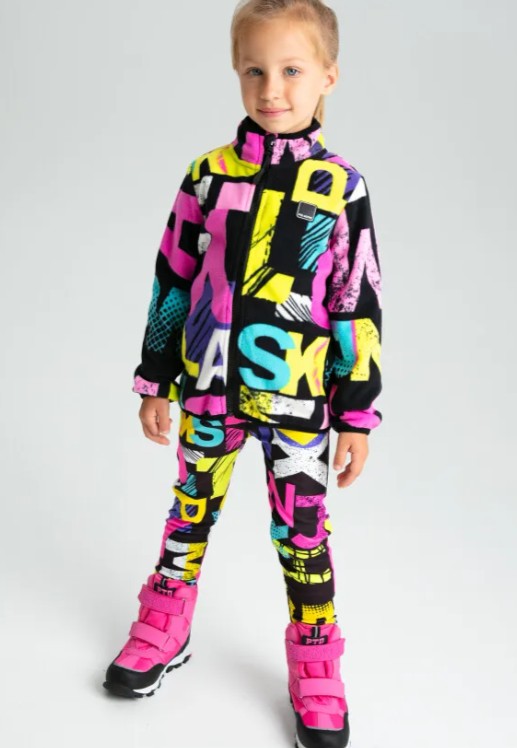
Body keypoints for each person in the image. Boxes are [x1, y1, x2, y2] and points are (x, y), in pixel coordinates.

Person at [103, 1, 383, 746]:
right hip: (208, 385)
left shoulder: (340, 186)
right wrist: (156, 376)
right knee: (188, 512)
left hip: (297, 397)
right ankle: (165, 625)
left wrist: (356, 414)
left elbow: (356, 301)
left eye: (291, 70)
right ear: (236, 72)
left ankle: (316, 663)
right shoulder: (206, 176)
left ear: (327, 77)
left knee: (303, 533)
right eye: (254, 71)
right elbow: (172, 278)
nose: (272, 89)